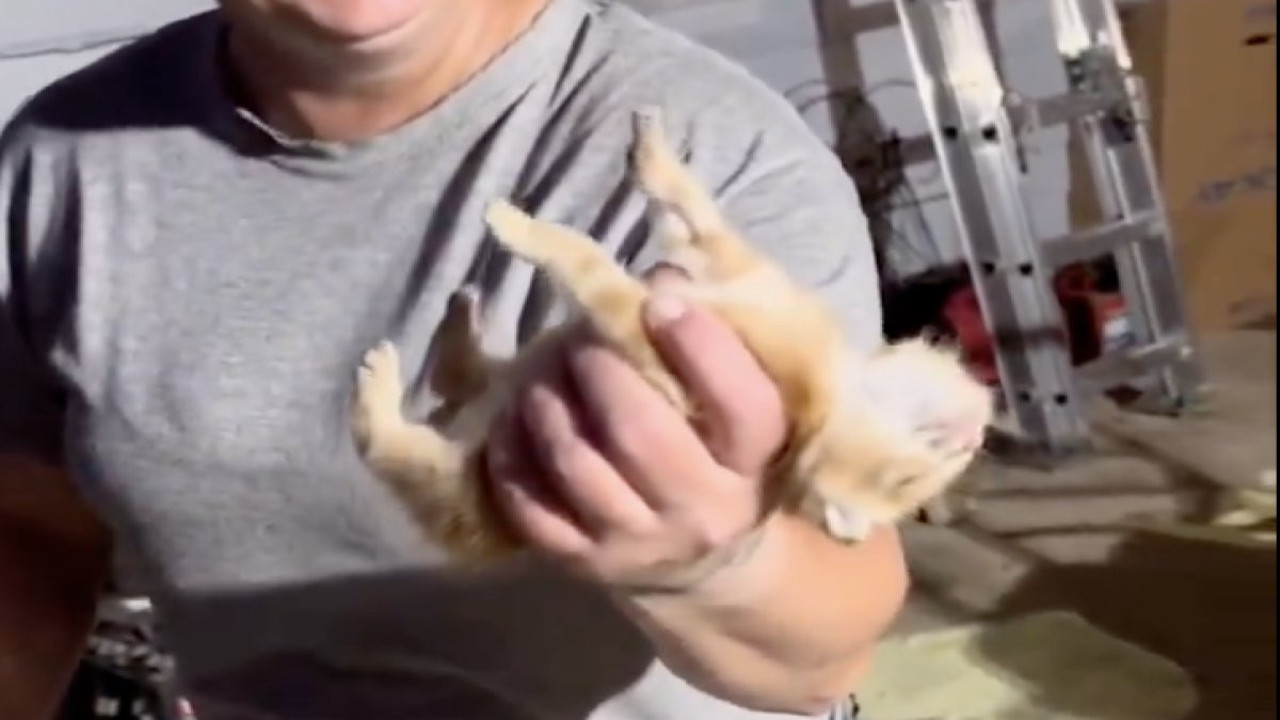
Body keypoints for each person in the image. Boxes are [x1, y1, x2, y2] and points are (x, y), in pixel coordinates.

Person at [0, 1, 908, 718]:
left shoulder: (707, 153)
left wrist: (711, 565)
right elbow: (33, 533)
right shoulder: (61, 164)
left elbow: (822, 654)